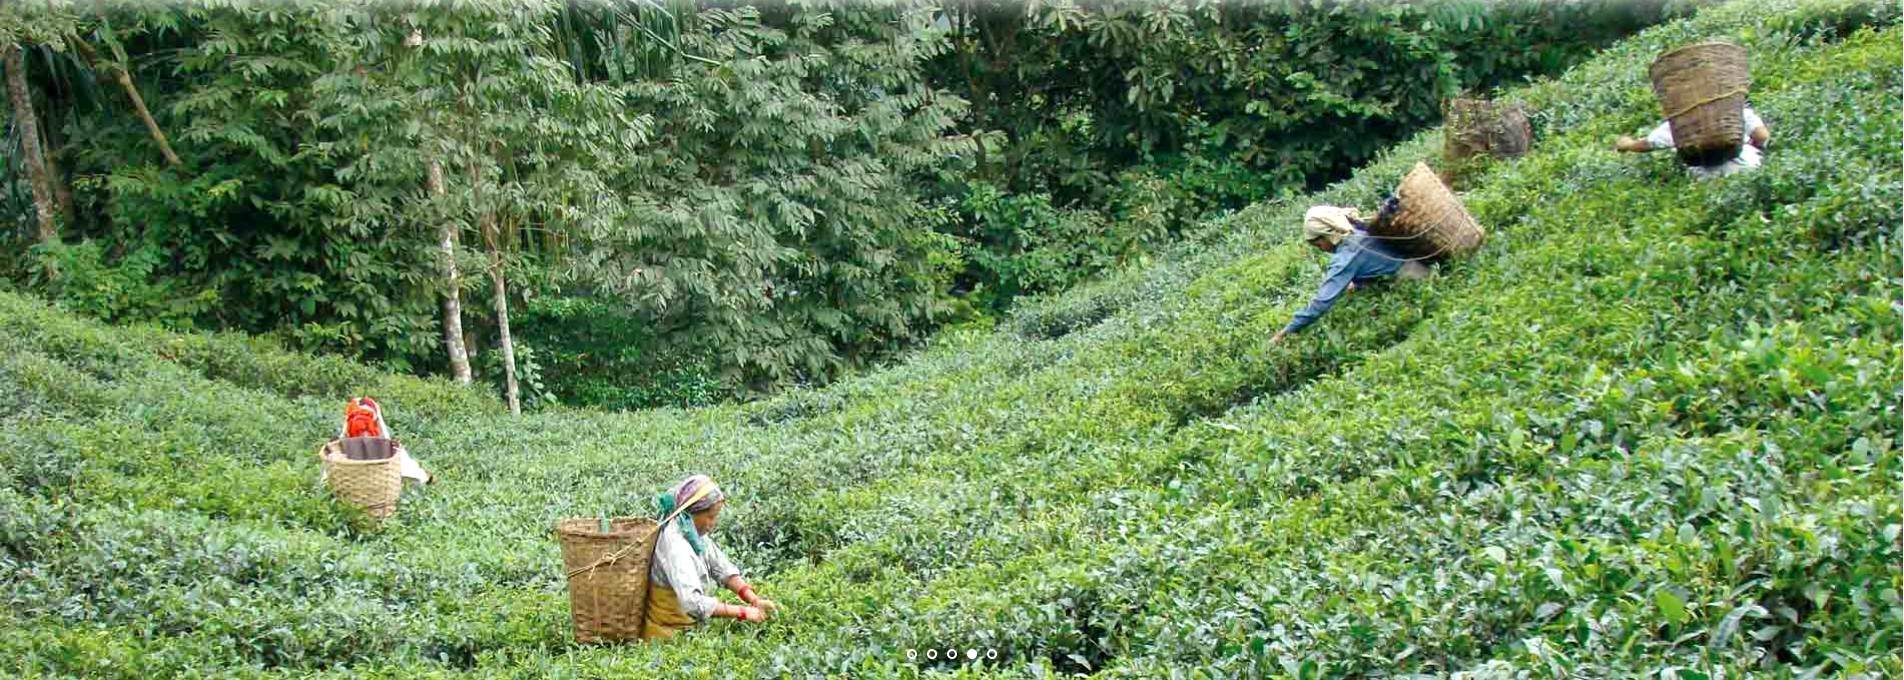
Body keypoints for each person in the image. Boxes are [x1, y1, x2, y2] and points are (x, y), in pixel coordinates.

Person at [1267, 204, 1428, 345]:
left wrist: (1282, 334)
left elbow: (1321, 304)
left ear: (1328, 235)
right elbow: (1375, 263)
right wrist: (1356, 285)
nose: (1322, 249)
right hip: (1423, 264)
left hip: (1414, 280)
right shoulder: (1358, 229)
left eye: (1318, 244)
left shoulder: (1345, 258)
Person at [643, 474, 781, 639]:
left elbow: (721, 568)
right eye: (710, 517)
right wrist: (743, 612)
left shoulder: (691, 530)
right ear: (692, 512)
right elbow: (693, 603)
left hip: (689, 630)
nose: (713, 523)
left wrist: (753, 599)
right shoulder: (676, 546)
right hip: (666, 636)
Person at [1616, 104, 1770, 179]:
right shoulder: (1734, 108)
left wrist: (1627, 144)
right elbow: (1762, 136)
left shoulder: (1682, 121)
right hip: (1748, 167)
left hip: (1707, 178)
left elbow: (1647, 144)